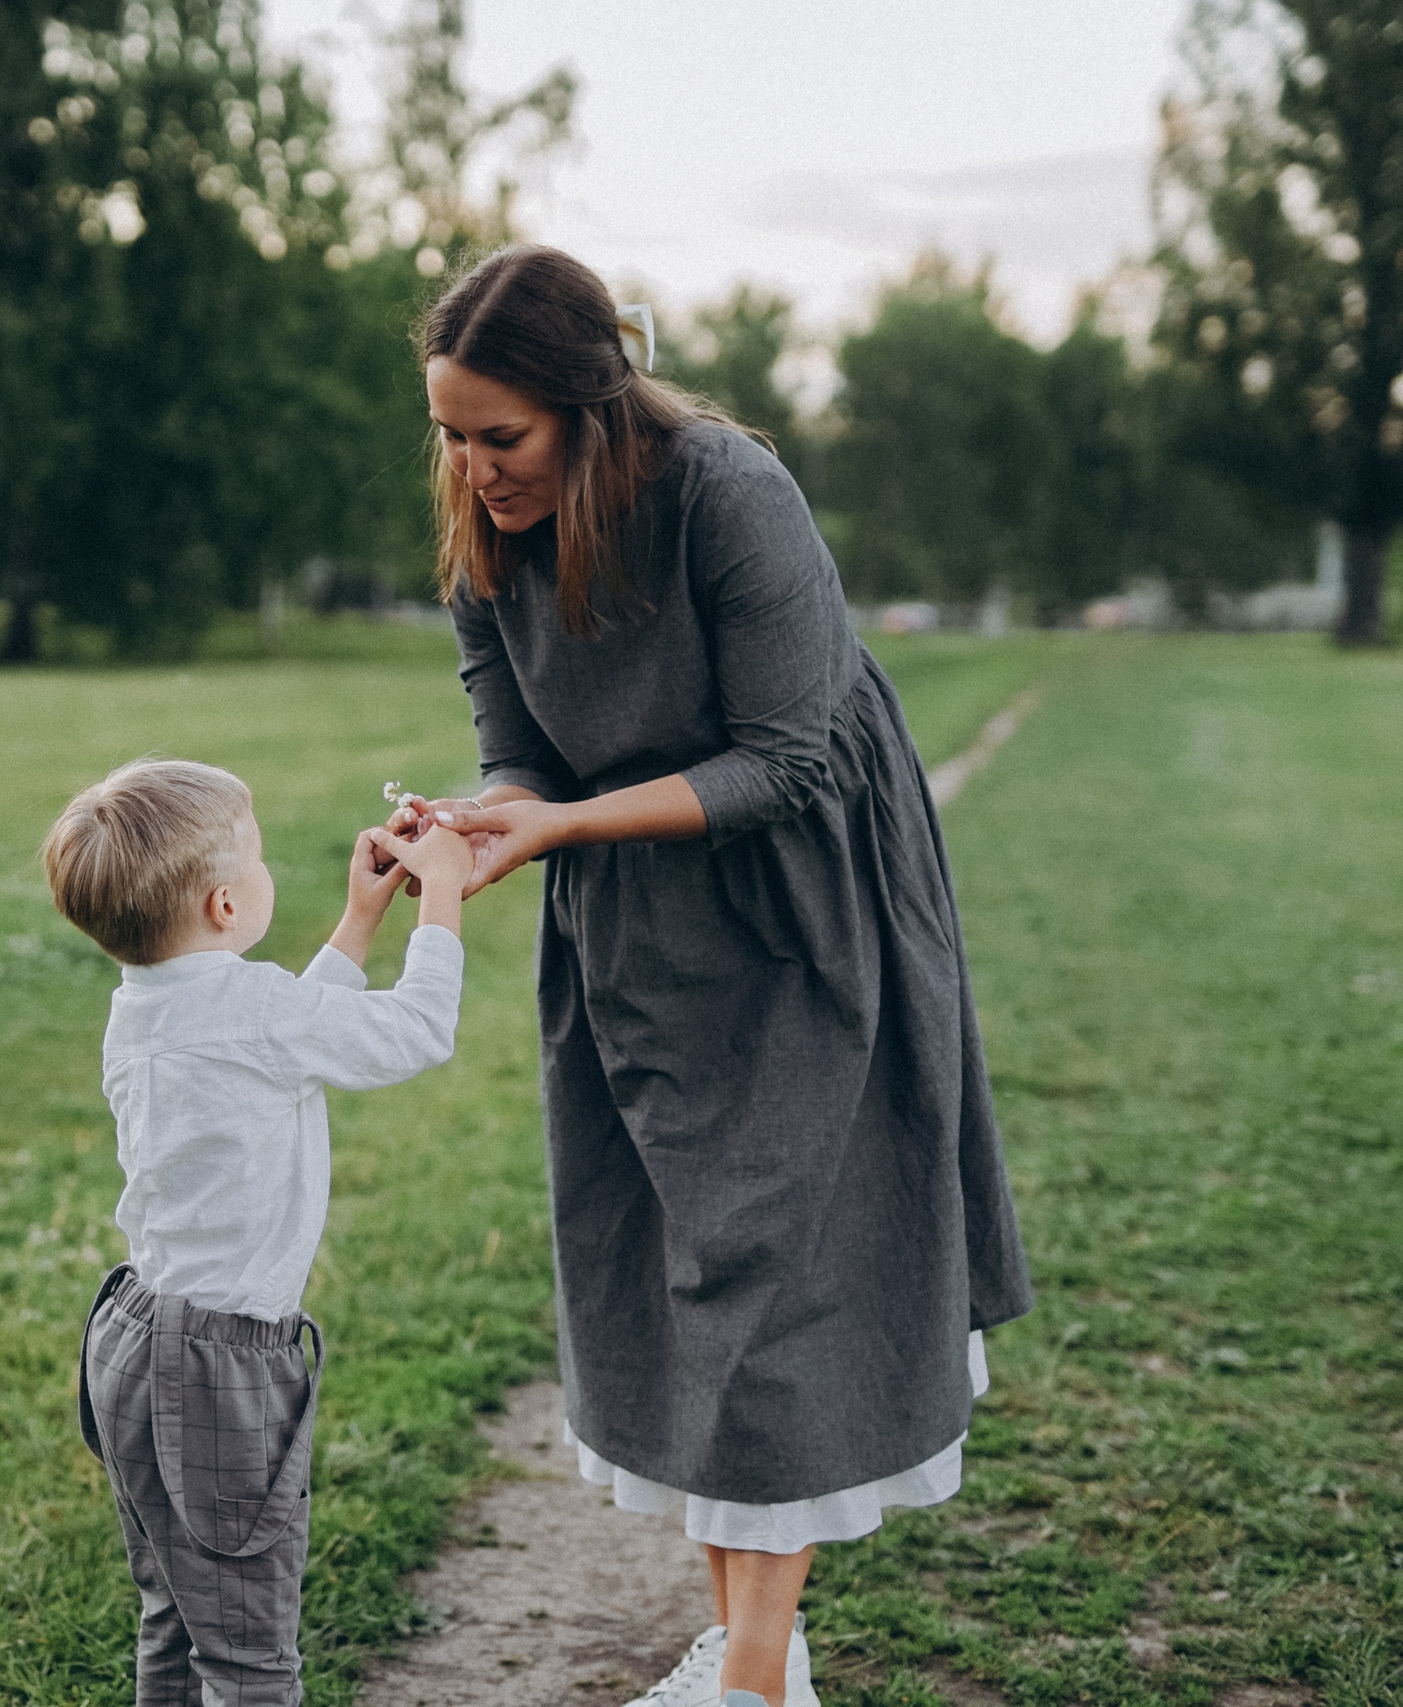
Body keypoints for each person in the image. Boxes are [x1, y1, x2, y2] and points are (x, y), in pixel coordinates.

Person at [387, 246, 1035, 1707]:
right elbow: (522, 750)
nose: (476, 467)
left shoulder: (729, 492)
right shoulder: (486, 539)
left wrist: (562, 821)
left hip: (803, 895)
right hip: (637, 929)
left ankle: (749, 1678)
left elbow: (789, 758)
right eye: (452, 433)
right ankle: (763, 1654)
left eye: (504, 436)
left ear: (589, 406)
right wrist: (484, 817)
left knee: (783, 1269)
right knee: (684, 1269)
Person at [44, 758, 475, 1706]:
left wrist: (360, 921)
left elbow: (285, 1041)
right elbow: (416, 1031)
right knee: (248, 1654)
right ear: (227, 907)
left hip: (129, 1342)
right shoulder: (254, 1015)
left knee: (177, 1614)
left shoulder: (144, 1002)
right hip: (219, 1369)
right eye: (261, 855)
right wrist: (439, 893)